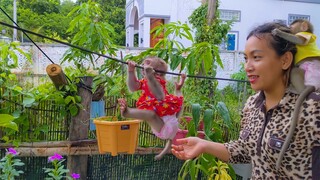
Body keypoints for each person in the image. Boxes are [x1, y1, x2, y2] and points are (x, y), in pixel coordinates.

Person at [171, 22, 320, 179]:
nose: (247, 67)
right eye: (246, 58)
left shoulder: (311, 107)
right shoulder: (253, 104)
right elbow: (244, 150)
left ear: (285, 60)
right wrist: (204, 145)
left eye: (256, 57)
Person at [118, 56, 186, 160]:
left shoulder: (159, 82)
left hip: (168, 125)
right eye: (156, 73)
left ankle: (127, 113)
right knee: (153, 113)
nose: (158, 75)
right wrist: (131, 71)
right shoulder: (145, 81)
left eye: (161, 74)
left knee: (174, 103)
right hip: (165, 127)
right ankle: (127, 112)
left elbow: (161, 96)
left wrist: (178, 89)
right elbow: (133, 87)